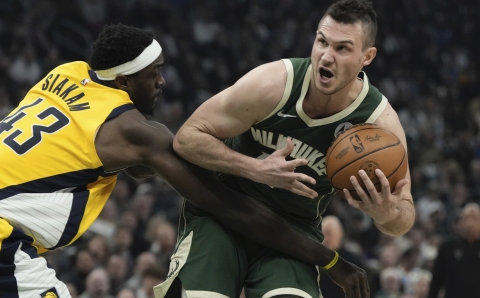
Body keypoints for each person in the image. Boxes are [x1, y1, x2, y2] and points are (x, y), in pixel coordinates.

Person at [0, 24, 367, 297]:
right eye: (155, 73)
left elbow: (119, 162)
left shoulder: (66, 72)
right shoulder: (133, 130)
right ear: (125, 81)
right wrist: (329, 259)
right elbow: (228, 207)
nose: (163, 81)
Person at [170, 0, 415, 297]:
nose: (326, 56)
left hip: (291, 234)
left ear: (367, 57)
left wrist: (384, 213)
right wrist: (257, 169)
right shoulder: (273, 84)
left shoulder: (380, 123)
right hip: (223, 212)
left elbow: (404, 217)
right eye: (322, 41)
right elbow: (187, 138)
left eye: (342, 48)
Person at [428, 202, 480, 298]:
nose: (470, 223)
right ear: (461, 222)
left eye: (474, 219)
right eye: (466, 218)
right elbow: (436, 281)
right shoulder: (447, 247)